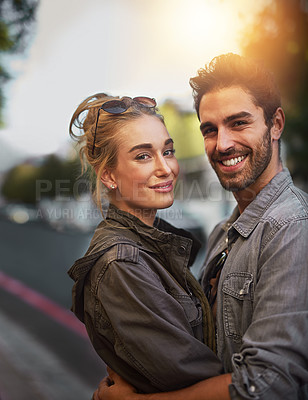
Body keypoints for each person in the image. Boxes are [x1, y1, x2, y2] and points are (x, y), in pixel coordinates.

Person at [93, 54, 308, 400]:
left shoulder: (292, 229)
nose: (222, 144)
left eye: (239, 123)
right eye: (210, 129)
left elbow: (268, 385)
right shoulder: (223, 232)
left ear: (276, 124)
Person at [67, 93, 223, 394]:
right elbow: (200, 384)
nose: (166, 168)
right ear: (109, 175)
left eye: (168, 151)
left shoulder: (153, 244)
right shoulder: (122, 263)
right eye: (143, 156)